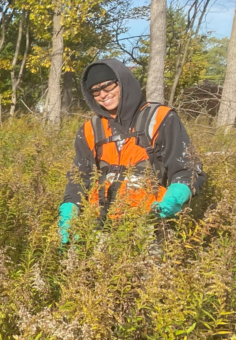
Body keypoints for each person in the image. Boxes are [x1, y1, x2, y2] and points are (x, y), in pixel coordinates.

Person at [57, 59, 206, 244]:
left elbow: (188, 169)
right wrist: (69, 210)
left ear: (122, 81)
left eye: (108, 86)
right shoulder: (90, 129)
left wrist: (174, 198)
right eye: (95, 91)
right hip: (100, 225)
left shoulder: (160, 118)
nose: (103, 94)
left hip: (150, 223)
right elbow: (79, 177)